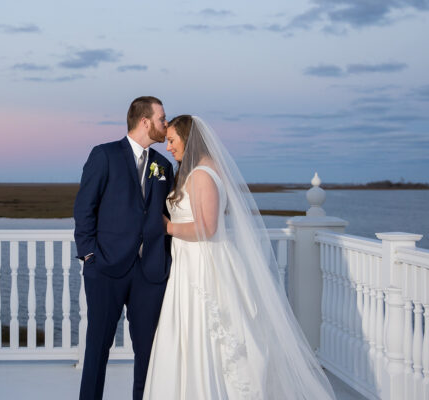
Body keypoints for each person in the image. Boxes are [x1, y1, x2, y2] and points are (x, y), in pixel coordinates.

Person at [143, 115, 336, 399]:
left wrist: (167, 226)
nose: (169, 147)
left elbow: (207, 227)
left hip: (202, 267)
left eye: (172, 140)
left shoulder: (201, 175)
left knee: (206, 334)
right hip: (192, 264)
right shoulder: (205, 170)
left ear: (189, 138)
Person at [74, 96, 175, 400]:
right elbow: (84, 208)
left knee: (148, 353)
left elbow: (167, 214)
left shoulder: (163, 165)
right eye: (162, 119)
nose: (166, 125)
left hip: (150, 273)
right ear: (145, 121)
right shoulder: (104, 155)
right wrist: (89, 254)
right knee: (97, 349)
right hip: (106, 269)